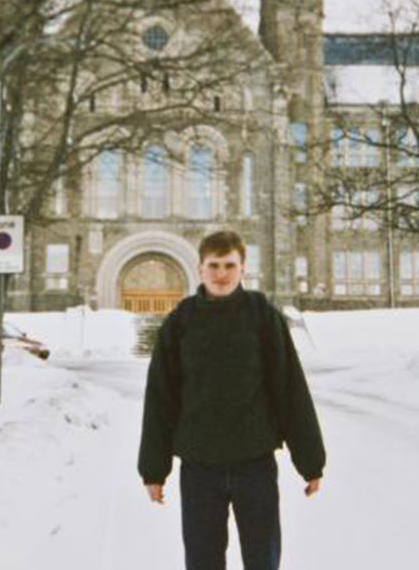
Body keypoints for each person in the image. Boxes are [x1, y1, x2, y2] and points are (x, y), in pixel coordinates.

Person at [138, 230, 325, 570]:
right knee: (202, 560)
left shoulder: (262, 317)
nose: (221, 273)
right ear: (200, 268)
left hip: (253, 464)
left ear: (243, 268)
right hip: (199, 468)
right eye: (214, 265)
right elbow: (161, 400)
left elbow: (289, 389)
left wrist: (310, 461)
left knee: (262, 559)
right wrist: (154, 470)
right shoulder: (181, 322)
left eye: (229, 265)